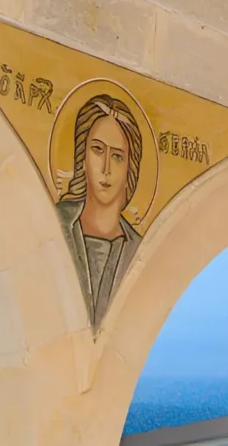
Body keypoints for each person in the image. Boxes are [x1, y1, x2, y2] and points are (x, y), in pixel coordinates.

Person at [56, 93, 147, 329]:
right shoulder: (54, 224)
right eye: (97, 150)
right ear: (82, 157)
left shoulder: (139, 249)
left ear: (130, 169)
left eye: (117, 157)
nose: (106, 168)